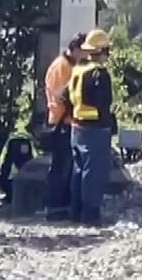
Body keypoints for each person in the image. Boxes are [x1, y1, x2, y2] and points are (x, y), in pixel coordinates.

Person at [69, 29, 117, 226]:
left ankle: (76, 212)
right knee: (94, 172)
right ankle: (91, 214)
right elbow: (104, 102)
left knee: (79, 170)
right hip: (95, 129)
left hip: (77, 126)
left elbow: (66, 96)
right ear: (103, 50)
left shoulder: (78, 70)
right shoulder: (99, 74)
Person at [44, 32, 86, 220]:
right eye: (83, 51)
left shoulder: (70, 65)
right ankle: (54, 206)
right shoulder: (62, 67)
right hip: (61, 122)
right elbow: (63, 95)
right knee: (61, 166)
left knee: (66, 166)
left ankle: (61, 204)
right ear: (76, 49)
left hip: (67, 121)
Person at [0, 123, 34, 203]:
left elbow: (3, 160)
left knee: (8, 167)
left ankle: (10, 193)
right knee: (26, 165)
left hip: (13, 142)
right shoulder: (29, 133)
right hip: (25, 141)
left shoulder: (11, 135)